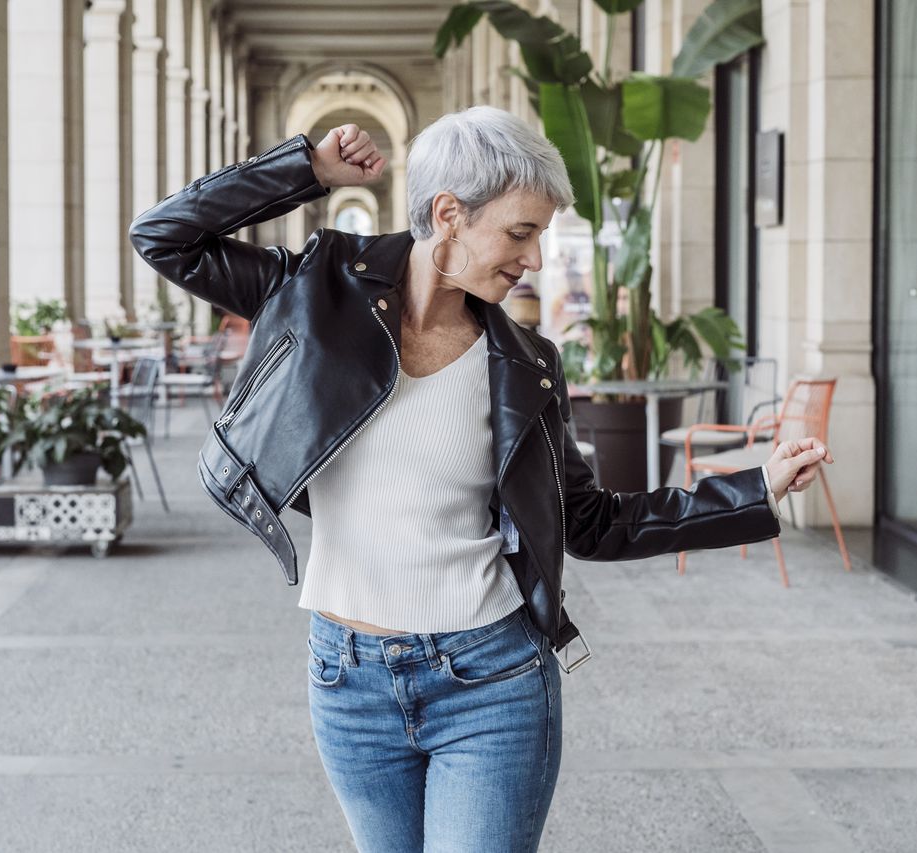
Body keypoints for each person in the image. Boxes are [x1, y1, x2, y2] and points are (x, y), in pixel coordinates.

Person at [130, 105, 834, 852]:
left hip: (492, 684)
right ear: (449, 216)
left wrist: (752, 489)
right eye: (521, 232)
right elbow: (164, 236)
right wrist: (307, 168)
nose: (533, 260)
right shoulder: (314, 289)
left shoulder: (524, 364)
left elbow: (589, 520)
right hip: (347, 681)